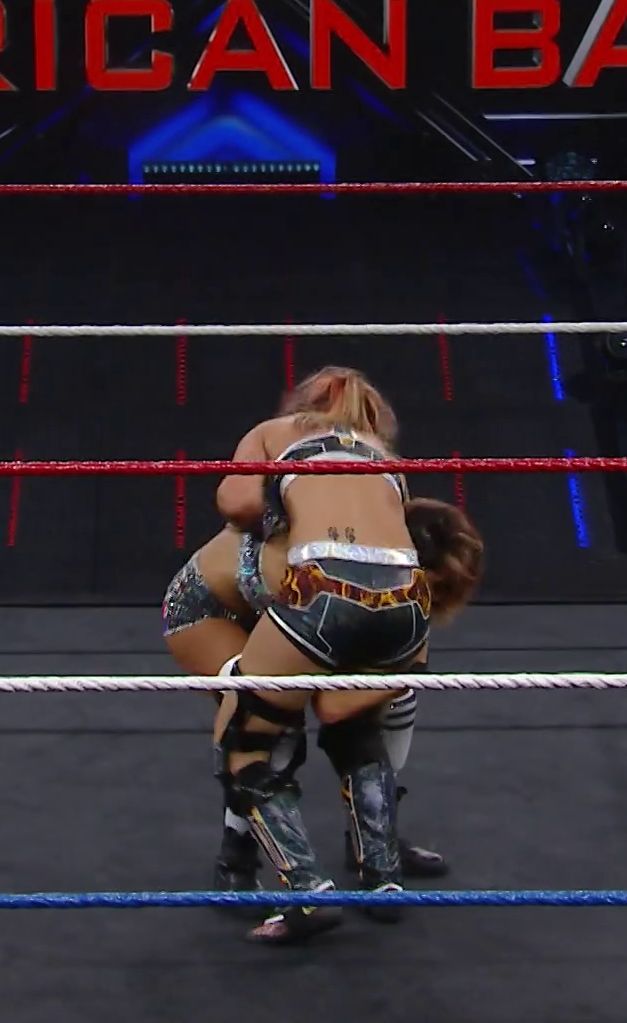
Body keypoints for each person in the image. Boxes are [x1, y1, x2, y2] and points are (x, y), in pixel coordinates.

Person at [207, 366, 479, 945]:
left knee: (245, 737)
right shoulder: (385, 457)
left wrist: (286, 513)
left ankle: (305, 891)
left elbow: (235, 501)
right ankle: (382, 876)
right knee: (358, 717)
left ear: (306, 402)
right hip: (408, 600)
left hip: (325, 587)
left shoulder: (276, 432)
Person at [161, 501, 474, 902]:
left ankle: (376, 843)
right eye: (429, 588)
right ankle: (236, 862)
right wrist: (409, 667)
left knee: (391, 700)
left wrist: (402, 673)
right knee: (267, 725)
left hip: (301, 615)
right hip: (212, 613)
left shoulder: (378, 568)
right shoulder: (322, 574)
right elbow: (331, 707)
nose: (429, 601)